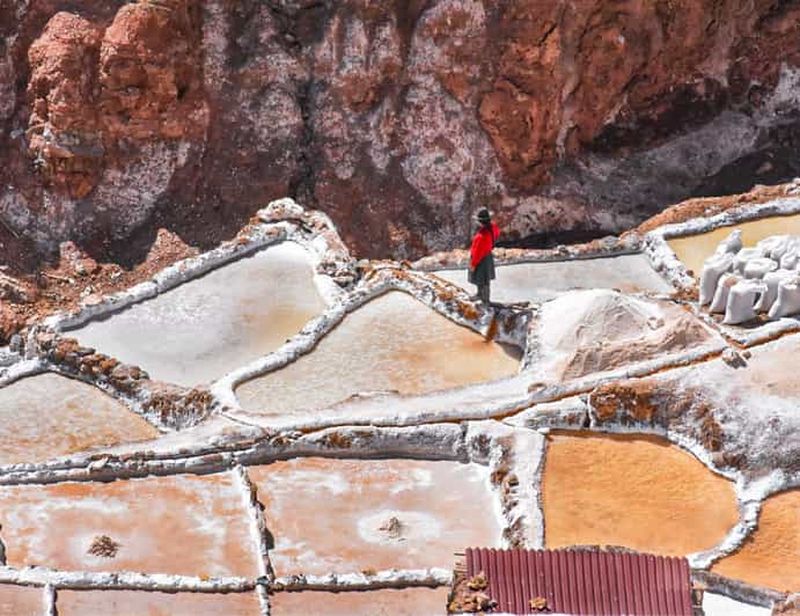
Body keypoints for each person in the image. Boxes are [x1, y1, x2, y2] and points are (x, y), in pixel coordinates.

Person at [469, 207, 499, 304]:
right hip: (487, 256)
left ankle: (485, 299)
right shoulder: (493, 228)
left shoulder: (481, 236)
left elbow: (477, 252)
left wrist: (473, 264)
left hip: (481, 259)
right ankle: (480, 295)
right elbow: (497, 233)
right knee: (484, 279)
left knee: (482, 279)